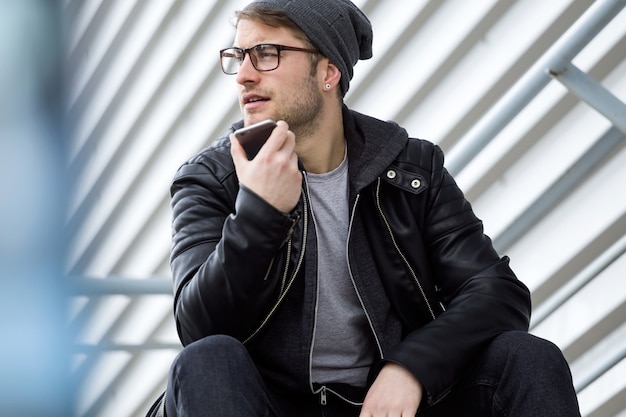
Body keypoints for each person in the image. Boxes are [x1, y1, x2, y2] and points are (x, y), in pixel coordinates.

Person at [162, 0, 581, 416]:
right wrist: (260, 211)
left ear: (329, 72)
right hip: (269, 405)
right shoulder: (212, 179)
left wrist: (412, 367)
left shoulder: (409, 168)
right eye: (238, 57)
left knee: (527, 357)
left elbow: (497, 292)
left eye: (267, 54)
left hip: (387, 405)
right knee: (208, 360)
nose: (245, 75)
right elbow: (199, 327)